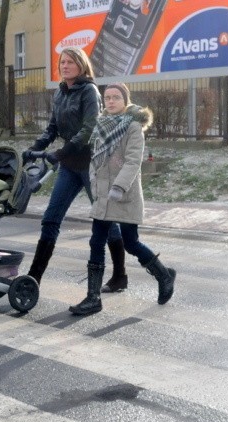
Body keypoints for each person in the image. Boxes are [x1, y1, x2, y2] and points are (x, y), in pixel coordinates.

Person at [23, 47, 127, 292]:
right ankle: (33, 279)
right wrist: (35, 147)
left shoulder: (89, 91)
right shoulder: (60, 93)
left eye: (70, 62)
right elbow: (52, 127)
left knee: (105, 219)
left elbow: (90, 128)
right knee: (50, 219)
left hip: (92, 163)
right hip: (70, 165)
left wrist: (61, 152)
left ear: (81, 65)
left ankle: (120, 275)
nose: (65, 66)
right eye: (62, 62)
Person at [69, 83, 176, 315]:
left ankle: (164, 275)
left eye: (116, 97)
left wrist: (118, 186)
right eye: (107, 97)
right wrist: (95, 183)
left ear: (125, 100)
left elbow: (133, 161)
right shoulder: (100, 125)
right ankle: (93, 298)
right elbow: (95, 159)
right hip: (103, 196)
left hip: (123, 195)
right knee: (96, 241)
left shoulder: (133, 127)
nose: (110, 101)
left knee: (131, 243)